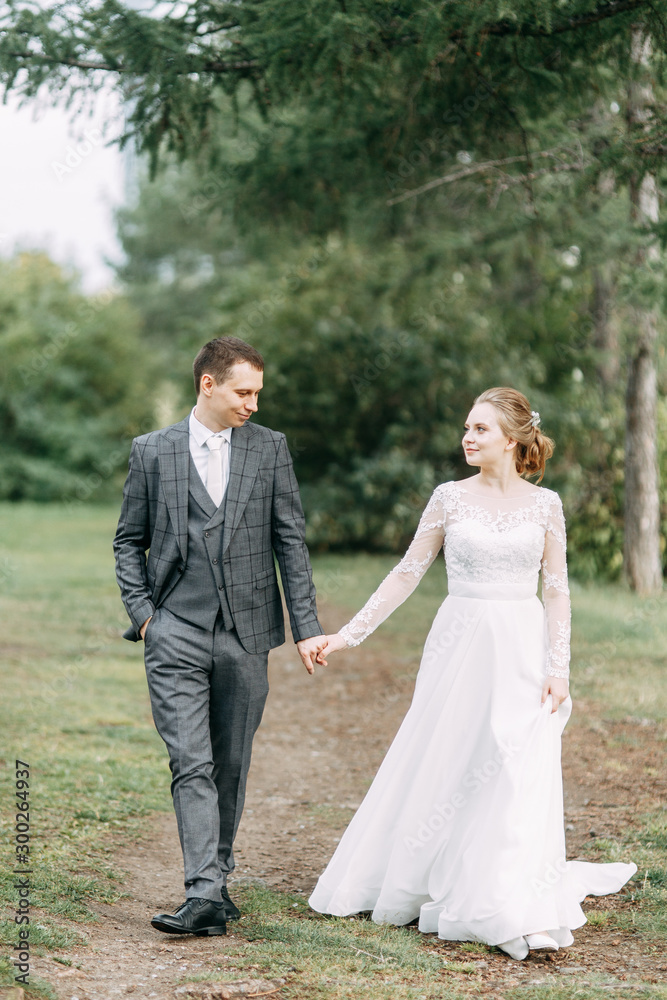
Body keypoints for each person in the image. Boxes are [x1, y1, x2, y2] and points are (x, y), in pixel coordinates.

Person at [309, 387, 636, 960]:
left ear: (512, 440)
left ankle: (510, 890)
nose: (467, 437)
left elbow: (556, 592)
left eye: (480, 429)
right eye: (466, 427)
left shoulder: (546, 505)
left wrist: (558, 666)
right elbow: (407, 573)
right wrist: (347, 635)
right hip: (459, 645)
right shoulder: (448, 498)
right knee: (455, 755)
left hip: (521, 646)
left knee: (514, 762)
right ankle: (437, 873)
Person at [114, 336, 326, 936]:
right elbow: (128, 541)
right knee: (191, 761)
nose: (253, 403)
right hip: (173, 629)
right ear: (208, 385)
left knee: (230, 762)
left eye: (258, 392)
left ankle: (216, 880)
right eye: (244, 391)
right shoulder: (151, 452)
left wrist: (306, 628)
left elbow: (291, 542)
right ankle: (203, 892)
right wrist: (145, 616)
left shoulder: (270, 449)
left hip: (245, 631)